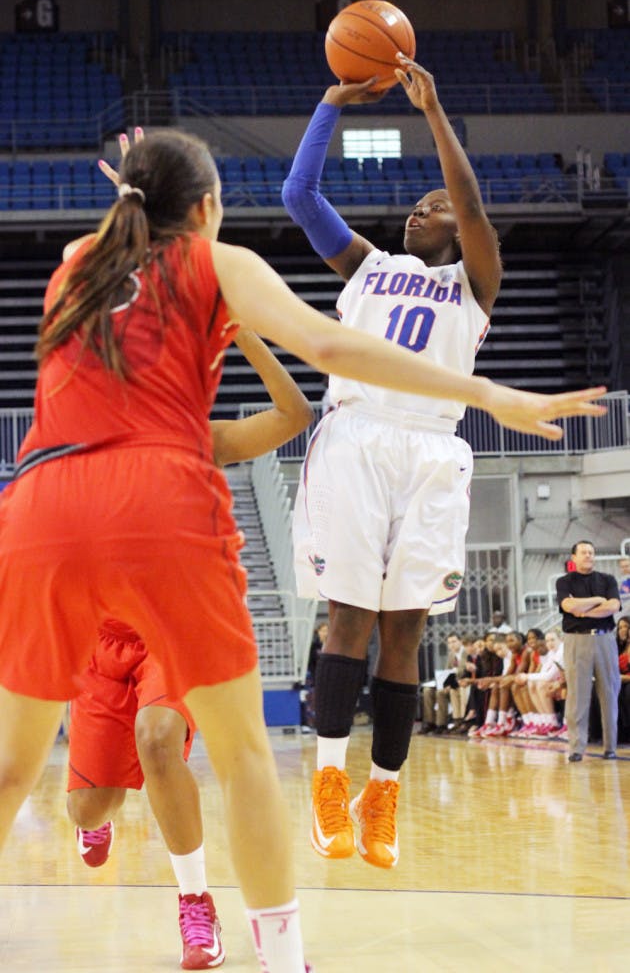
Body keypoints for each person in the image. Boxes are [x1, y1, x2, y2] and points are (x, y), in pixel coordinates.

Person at [0, 126, 605, 972]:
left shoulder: (75, 260)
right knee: (246, 758)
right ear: (207, 210)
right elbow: (329, 346)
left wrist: (127, 200)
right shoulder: (221, 266)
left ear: (126, 209)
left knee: (10, 766)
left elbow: (125, 248)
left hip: (45, 498)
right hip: (161, 502)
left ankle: (253, 865)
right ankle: (284, 957)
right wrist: (485, 391)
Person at [281, 55, 604, 868]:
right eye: (415, 209)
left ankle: (382, 792)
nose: (421, 213)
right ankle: (328, 784)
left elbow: (469, 203)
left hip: (434, 448)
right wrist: (330, 101)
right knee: (349, 621)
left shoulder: (476, 283)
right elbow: (299, 196)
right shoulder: (370, 268)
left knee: (405, 637)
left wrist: (433, 115)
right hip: (357, 435)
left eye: (436, 208)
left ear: (458, 228)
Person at [67, 326, 314, 972]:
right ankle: (94, 814)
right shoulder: (71, 457)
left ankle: (196, 903)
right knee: (89, 806)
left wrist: (253, 336)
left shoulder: (194, 442)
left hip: (173, 636)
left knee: (156, 739)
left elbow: (295, 416)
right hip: (101, 645)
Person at [556, 540, 621, 763]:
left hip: (604, 639)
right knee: (577, 695)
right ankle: (576, 747)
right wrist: (596, 601)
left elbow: (613, 607)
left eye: (591, 552)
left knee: (609, 693)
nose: (588, 556)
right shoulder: (564, 582)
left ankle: (610, 746)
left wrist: (583, 611)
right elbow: (568, 606)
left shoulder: (607, 580)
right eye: (583, 552)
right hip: (577, 640)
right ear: (573, 557)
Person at [420, 632, 467, 733]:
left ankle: (441, 724)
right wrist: (445, 682)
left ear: (460, 641)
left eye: (454, 641)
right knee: (427, 690)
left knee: (440, 693)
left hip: (460, 682)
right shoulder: (451, 655)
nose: (452, 645)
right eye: (449, 643)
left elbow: (463, 671)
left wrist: (449, 683)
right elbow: (447, 671)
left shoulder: (465, 653)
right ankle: (429, 722)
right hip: (451, 682)